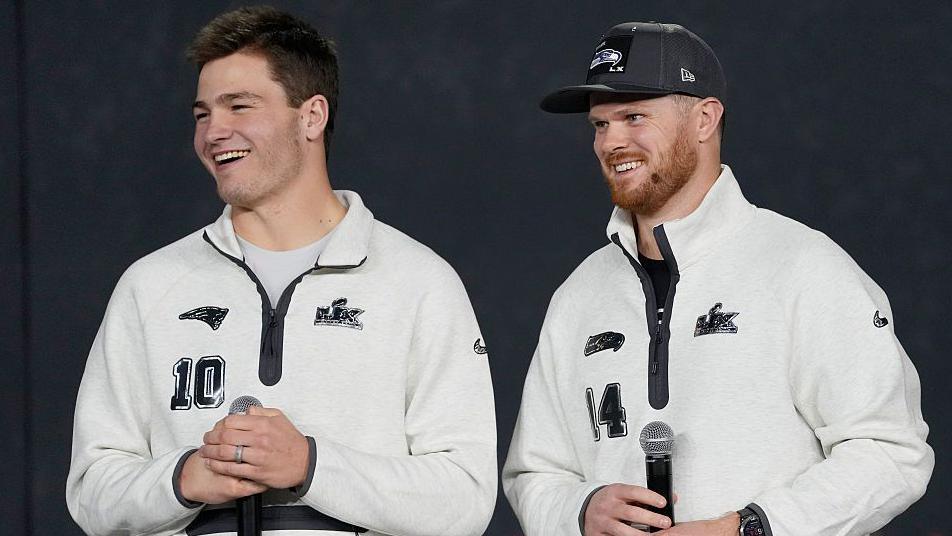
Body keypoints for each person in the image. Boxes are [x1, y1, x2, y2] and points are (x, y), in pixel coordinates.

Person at [66, 6, 496, 536]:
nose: (214, 133)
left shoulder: (418, 283)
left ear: (311, 116)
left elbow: (465, 500)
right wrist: (183, 477)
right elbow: (92, 493)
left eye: (239, 106)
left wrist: (310, 466)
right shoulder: (150, 286)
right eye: (202, 114)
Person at [502, 21, 933, 536]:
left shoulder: (804, 268)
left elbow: (891, 452)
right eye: (600, 125)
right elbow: (534, 472)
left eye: (634, 117)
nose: (611, 142)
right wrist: (579, 510)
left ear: (705, 119)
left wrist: (747, 529)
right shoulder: (579, 295)